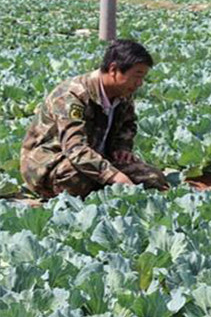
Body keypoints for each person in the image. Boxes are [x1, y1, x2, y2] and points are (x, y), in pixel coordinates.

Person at [20, 39, 168, 198]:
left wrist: (122, 148)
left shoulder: (123, 93)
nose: (140, 83)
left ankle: (107, 195)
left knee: (153, 179)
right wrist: (114, 176)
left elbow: (128, 124)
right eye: (137, 76)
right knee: (76, 180)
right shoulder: (72, 96)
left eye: (143, 77)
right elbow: (75, 149)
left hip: (98, 159)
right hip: (52, 164)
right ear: (114, 70)